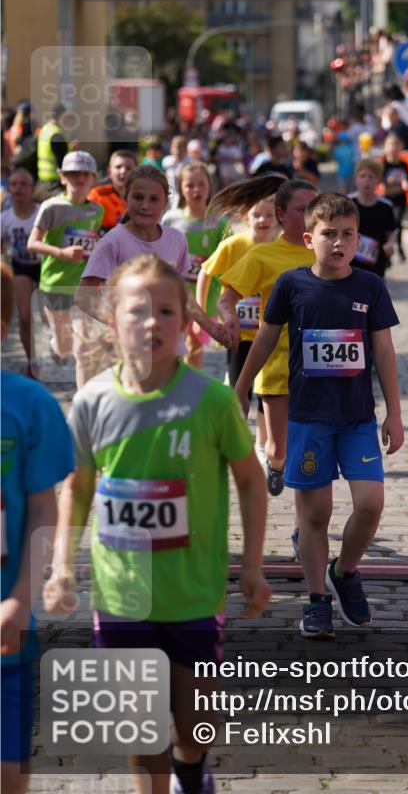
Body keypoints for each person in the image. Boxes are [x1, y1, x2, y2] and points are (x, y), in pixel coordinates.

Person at [43, 254, 270, 794]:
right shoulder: (93, 400)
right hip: (122, 595)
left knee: (195, 726)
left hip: (193, 592)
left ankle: (192, 770)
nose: (152, 323)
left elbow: (250, 481)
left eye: (167, 311)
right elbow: (76, 488)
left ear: (185, 321)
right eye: (138, 311)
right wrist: (58, 569)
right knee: (141, 734)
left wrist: (253, 565)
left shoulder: (211, 401)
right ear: (112, 319)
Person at [235, 193, 403, 637]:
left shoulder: (370, 287)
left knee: (370, 505)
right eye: (329, 234)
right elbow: (266, 340)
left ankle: (344, 572)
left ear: (358, 239)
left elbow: (384, 351)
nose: (339, 242)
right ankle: (316, 599)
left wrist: (395, 413)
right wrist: (240, 388)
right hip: (308, 417)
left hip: (358, 418)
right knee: (316, 514)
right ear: (310, 239)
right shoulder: (292, 285)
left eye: (348, 234)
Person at [1, 261, 74, 794]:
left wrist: (22, 598)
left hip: (8, 628)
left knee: (8, 774)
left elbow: (45, 509)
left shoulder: (29, 405)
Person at [212, 176, 319, 495]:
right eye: (303, 209)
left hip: (320, 369)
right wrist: (229, 316)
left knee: (310, 453)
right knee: (278, 448)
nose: (311, 216)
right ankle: (274, 465)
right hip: (276, 363)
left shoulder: (329, 252)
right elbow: (226, 295)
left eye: (315, 208)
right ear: (282, 215)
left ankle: (306, 524)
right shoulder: (263, 257)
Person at [75, 165, 226, 369]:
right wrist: (117, 322)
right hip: (129, 350)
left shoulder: (176, 239)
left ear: (165, 203)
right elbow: (84, 295)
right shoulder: (113, 241)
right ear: (125, 198)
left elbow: (182, 295)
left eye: (154, 199)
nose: (145, 205)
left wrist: (211, 328)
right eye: (138, 197)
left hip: (170, 345)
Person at [197, 194, 278, 463]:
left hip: (269, 334)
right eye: (257, 215)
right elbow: (206, 272)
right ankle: (237, 439)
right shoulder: (233, 245)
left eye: (269, 215)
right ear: (246, 218)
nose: (263, 220)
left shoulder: (280, 248)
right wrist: (203, 312)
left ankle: (263, 443)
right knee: (238, 389)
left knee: (266, 391)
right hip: (239, 333)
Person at [27, 151, 103, 385]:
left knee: (84, 349)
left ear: (93, 179)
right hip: (55, 284)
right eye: (72, 174)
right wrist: (61, 253)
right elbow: (32, 243)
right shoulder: (52, 207)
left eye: (84, 174)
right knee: (64, 350)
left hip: (83, 287)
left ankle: (82, 403)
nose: (78, 179)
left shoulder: (97, 210)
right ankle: (55, 345)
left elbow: (90, 242)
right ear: (62, 178)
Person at [162, 162, 231, 368]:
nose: (196, 190)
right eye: (189, 185)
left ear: (210, 186)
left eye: (201, 184)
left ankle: (190, 391)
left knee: (194, 346)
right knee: (176, 346)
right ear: (181, 189)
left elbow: (229, 259)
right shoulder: (171, 220)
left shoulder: (219, 223)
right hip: (176, 294)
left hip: (207, 297)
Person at [1, 168, 41, 375]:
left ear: (32, 189)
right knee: (24, 317)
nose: (18, 188)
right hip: (21, 266)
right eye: (14, 184)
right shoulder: (5, 218)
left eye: (24, 184)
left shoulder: (42, 212)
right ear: (8, 189)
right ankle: (32, 361)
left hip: (45, 265)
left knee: (50, 315)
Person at [349, 159, 397, 278]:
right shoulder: (347, 203)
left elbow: (392, 230)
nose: (367, 181)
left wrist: (390, 244)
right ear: (355, 179)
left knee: (373, 293)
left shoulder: (386, 206)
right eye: (363, 176)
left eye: (371, 177)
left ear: (379, 181)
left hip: (376, 261)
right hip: (349, 259)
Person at [88, 149, 137, 234]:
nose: (123, 171)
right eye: (118, 167)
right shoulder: (97, 196)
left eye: (128, 168)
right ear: (109, 172)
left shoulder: (144, 199)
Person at [380, 133, 408, 262]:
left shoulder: (404, 164)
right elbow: (380, 183)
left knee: (397, 223)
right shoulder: (383, 164)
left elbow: (406, 181)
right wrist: (387, 182)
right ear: (385, 147)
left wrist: (404, 183)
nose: (393, 147)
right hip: (387, 198)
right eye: (391, 144)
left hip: (400, 198)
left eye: (396, 144)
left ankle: (400, 249)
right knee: (387, 225)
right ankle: (387, 253)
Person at [36, 103, 69, 191]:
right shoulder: (56, 134)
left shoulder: (45, 130)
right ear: (62, 115)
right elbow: (61, 159)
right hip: (55, 182)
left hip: (42, 178)